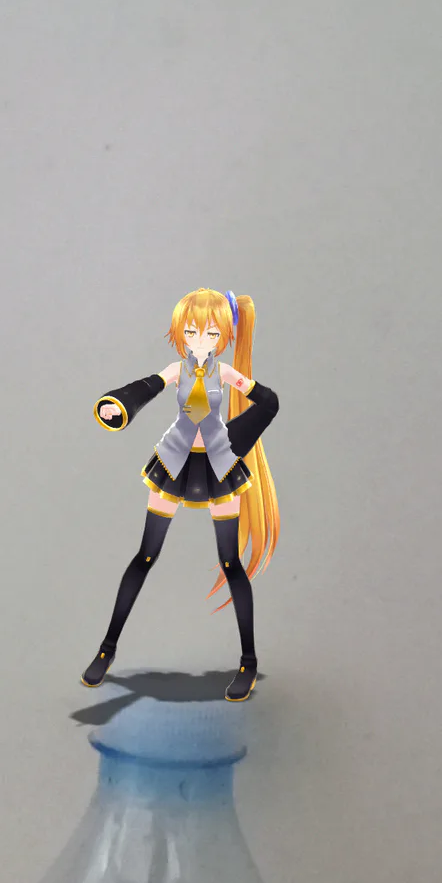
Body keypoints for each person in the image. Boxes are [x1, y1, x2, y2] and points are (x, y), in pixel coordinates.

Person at [82, 288, 279, 702]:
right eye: (191, 332)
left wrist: (240, 434)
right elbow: (146, 388)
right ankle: (106, 649)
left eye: (210, 334)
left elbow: (269, 402)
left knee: (230, 562)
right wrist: (119, 405)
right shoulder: (178, 369)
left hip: (220, 466)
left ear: (223, 335)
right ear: (180, 333)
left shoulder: (227, 374)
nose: (200, 341)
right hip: (173, 463)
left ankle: (248, 661)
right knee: (146, 555)